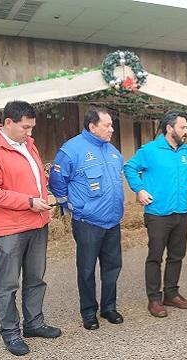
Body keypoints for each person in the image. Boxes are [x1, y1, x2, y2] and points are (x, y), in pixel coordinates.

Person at [0, 100, 61, 357]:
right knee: (8, 284)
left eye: (32, 128)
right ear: (8, 123)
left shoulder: (27, 144)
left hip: (37, 222)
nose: (30, 133)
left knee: (36, 279)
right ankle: (10, 333)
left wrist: (42, 191)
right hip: (9, 229)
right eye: (25, 127)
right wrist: (28, 202)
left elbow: (32, 179)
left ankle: (33, 323)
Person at [49, 107, 125, 331]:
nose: (112, 129)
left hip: (112, 222)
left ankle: (109, 307)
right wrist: (69, 205)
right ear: (92, 127)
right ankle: (89, 312)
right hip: (88, 222)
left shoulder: (113, 151)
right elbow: (57, 180)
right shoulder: (72, 150)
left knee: (113, 267)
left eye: (112, 125)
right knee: (87, 269)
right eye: (107, 125)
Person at [123, 110, 187, 318]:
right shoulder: (150, 150)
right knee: (155, 256)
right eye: (182, 127)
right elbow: (129, 167)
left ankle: (171, 294)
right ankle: (154, 299)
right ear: (169, 128)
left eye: (186, 127)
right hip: (157, 213)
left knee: (177, 255)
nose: (186, 131)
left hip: (181, 211)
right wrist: (139, 189)